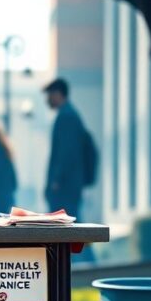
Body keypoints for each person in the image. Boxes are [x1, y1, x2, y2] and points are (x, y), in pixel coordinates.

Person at [43, 78, 89, 219]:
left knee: (67, 227)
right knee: (70, 226)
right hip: (68, 185)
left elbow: (66, 153)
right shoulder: (69, 115)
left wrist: (57, 180)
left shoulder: (66, 117)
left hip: (64, 187)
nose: (47, 99)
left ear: (58, 94)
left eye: (50, 95)